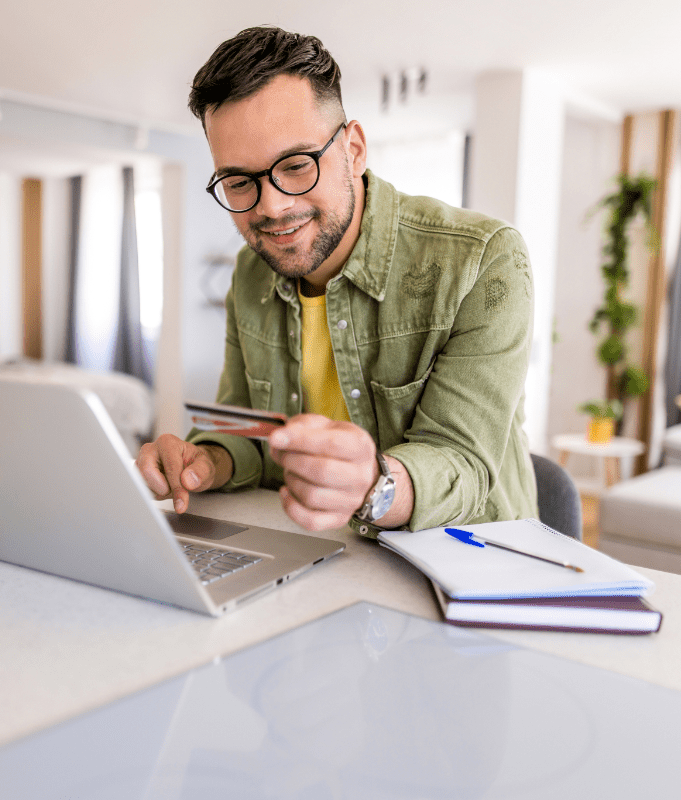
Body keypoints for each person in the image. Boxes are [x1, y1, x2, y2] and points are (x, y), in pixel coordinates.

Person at [136, 26, 537, 536]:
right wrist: (207, 460)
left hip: (471, 563)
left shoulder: (483, 262)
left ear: (353, 150)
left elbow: (463, 462)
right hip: (321, 557)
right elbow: (247, 431)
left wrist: (373, 485)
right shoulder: (249, 273)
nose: (273, 207)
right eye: (239, 182)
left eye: (297, 166)